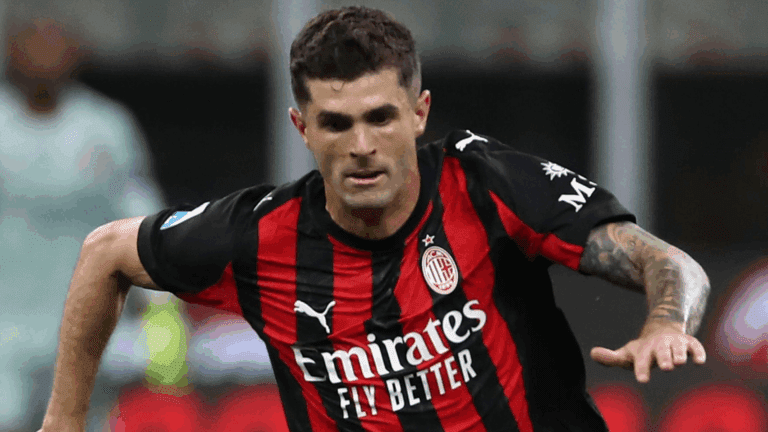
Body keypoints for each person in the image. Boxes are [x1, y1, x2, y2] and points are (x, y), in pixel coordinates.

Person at [38, 6, 710, 432]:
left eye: (381, 117)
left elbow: (668, 261)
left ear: (418, 113)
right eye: (337, 123)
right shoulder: (259, 235)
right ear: (302, 127)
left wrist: (665, 323)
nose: (362, 145)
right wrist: (63, 423)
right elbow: (106, 252)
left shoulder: (487, 184)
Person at [0, 16, 163, 430]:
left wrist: (161, 309)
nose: (44, 59)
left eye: (54, 47)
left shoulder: (105, 127)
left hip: (85, 327)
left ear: (74, 56)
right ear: (12, 54)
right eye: (33, 47)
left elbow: (142, 220)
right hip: (6, 331)